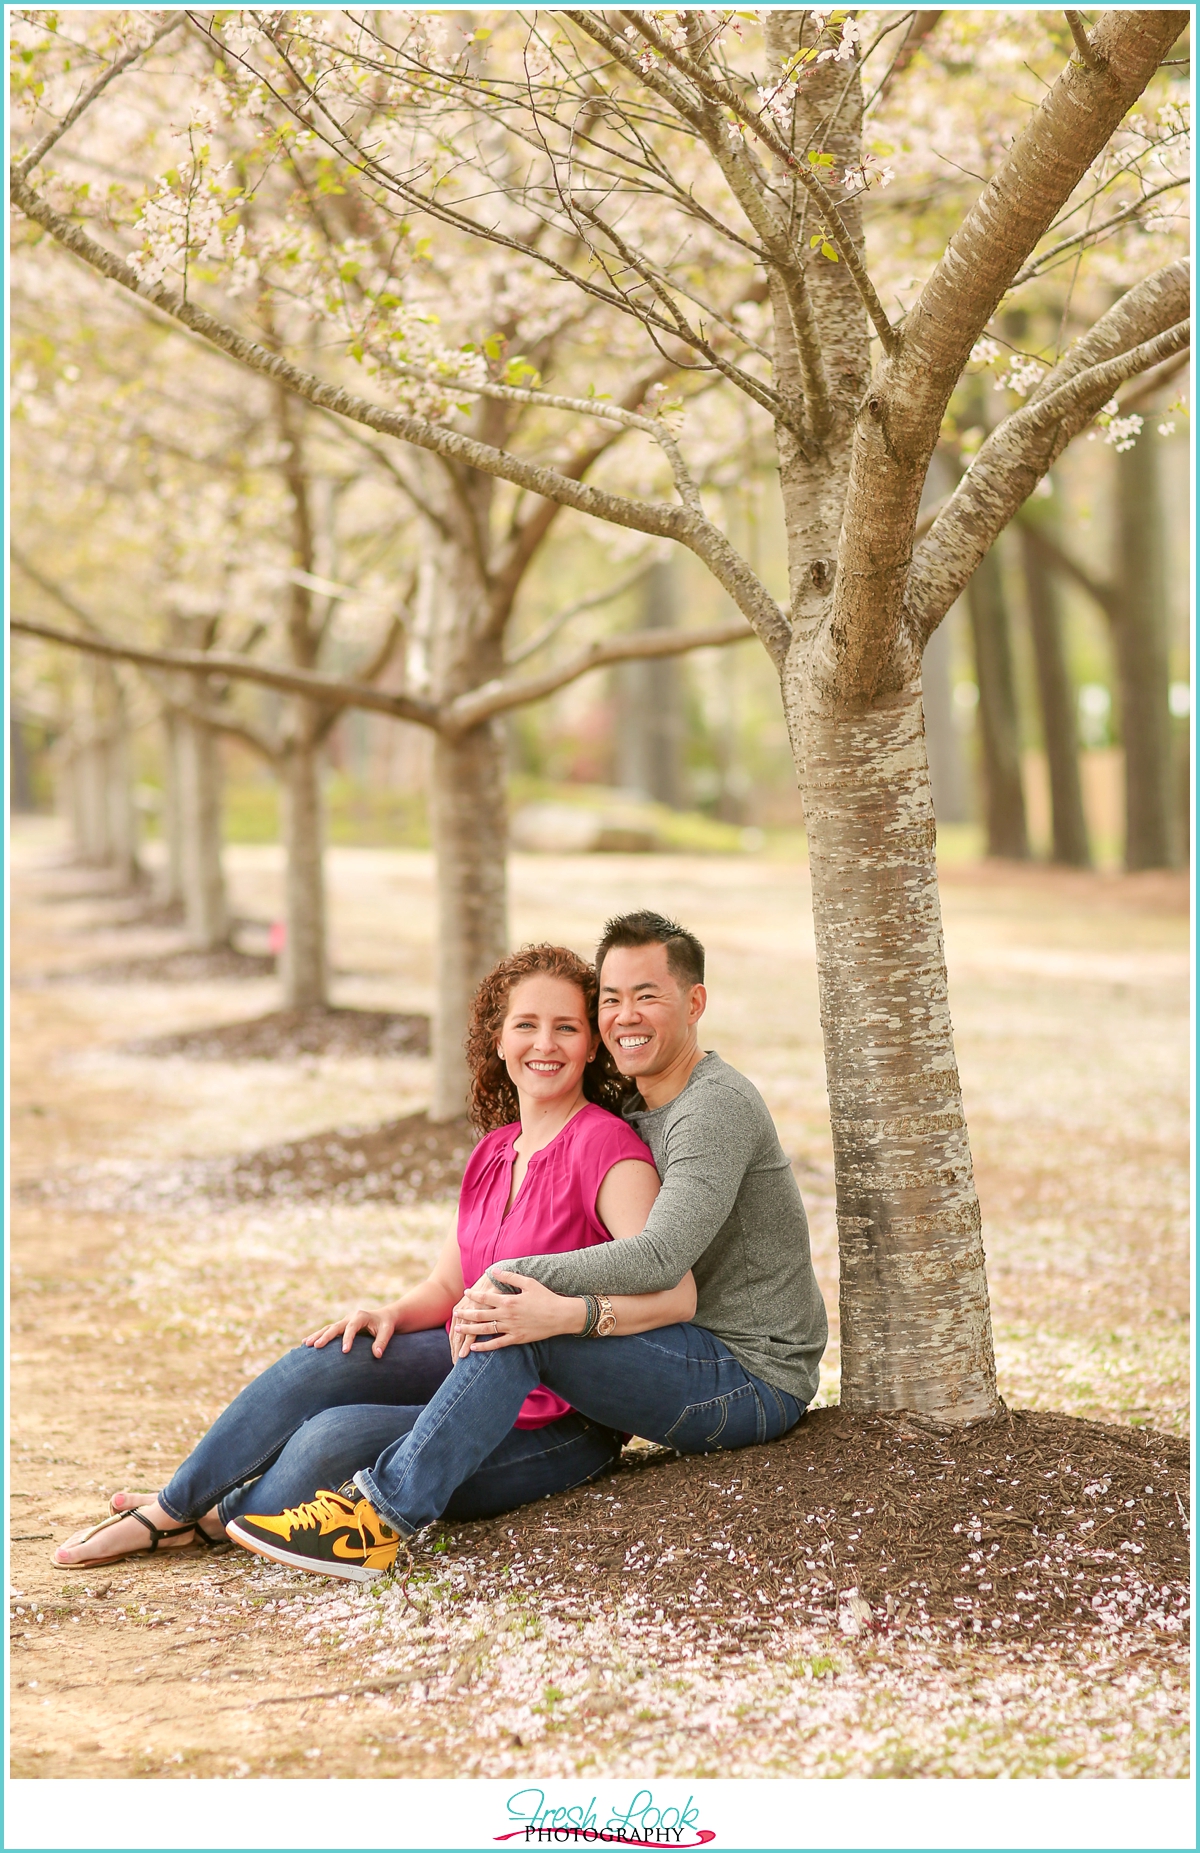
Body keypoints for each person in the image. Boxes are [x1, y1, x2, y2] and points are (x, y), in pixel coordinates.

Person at [53, 944, 695, 1580]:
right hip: (468, 1357)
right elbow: (451, 1282)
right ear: (498, 1042)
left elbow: (672, 1289)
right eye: (526, 1025)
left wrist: (564, 1318)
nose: (544, 1044)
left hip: (553, 1416)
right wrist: (389, 1312)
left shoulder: (609, 1149)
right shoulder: (496, 1151)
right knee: (323, 1363)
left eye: (566, 1028)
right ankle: (174, 1506)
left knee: (333, 1435)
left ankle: (207, 1515)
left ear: (591, 1046)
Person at [234, 911, 828, 1576]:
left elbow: (661, 1257)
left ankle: (378, 1520)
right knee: (499, 1324)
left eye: (647, 995)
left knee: (519, 1316)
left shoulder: (712, 1106)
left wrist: (513, 1272)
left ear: (695, 1003)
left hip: (751, 1376)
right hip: (680, 1343)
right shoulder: (640, 1108)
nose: (626, 1014)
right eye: (611, 998)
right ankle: (221, 1505)